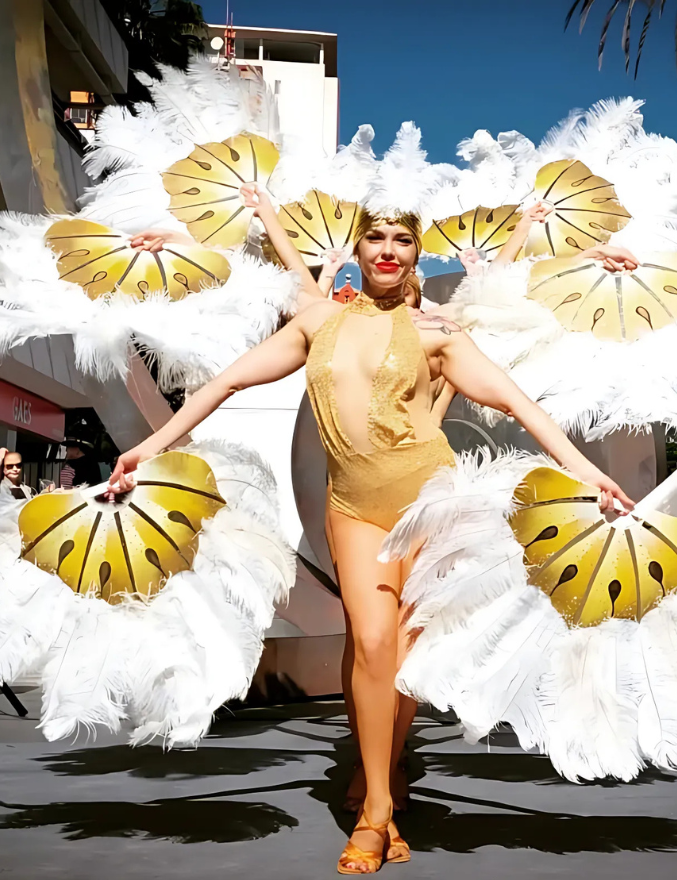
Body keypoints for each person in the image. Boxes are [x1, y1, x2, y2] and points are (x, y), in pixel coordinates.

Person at [110, 182, 634, 874]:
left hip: (429, 504)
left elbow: (518, 401)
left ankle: (378, 797)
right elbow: (226, 380)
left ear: (416, 256)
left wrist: (586, 472)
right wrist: (152, 446)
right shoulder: (315, 320)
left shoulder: (439, 333)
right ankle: (376, 802)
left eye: (403, 241)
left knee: (402, 656)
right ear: (359, 247)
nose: (389, 251)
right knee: (374, 640)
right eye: (378, 238)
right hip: (354, 509)